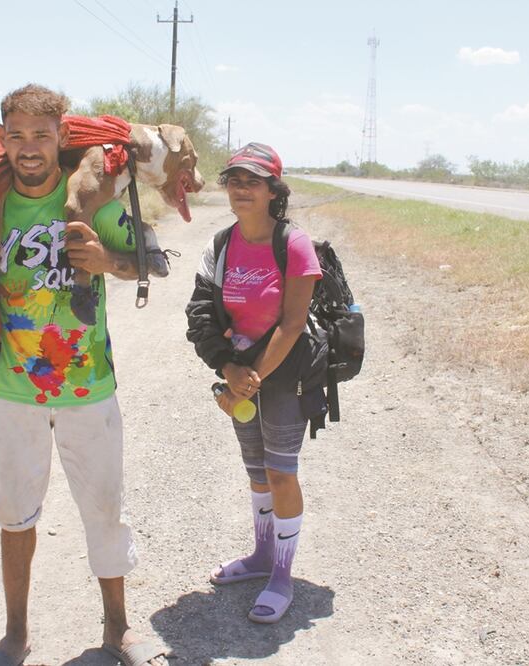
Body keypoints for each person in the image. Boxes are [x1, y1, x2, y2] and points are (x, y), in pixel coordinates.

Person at [0, 84, 167, 666]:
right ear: (2, 140)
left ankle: (118, 629)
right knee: (14, 515)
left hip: (90, 388)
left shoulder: (92, 204)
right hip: (11, 389)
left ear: (62, 136)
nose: (29, 147)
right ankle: (16, 635)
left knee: (103, 510)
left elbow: (155, 263)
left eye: (41, 135)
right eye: (17, 135)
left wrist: (108, 261)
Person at [184, 143, 325, 624]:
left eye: (254, 182)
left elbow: (291, 324)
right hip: (239, 374)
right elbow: (200, 312)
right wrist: (228, 369)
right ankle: (261, 557)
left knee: (282, 472)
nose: (242, 189)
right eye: (235, 180)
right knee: (257, 472)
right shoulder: (220, 245)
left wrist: (251, 378)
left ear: (272, 191)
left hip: (283, 376)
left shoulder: (294, 244)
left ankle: (281, 576)